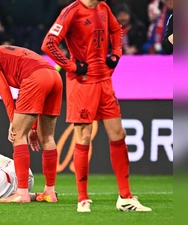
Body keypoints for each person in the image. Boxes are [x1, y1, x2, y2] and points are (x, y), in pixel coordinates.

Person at [41, 0, 152, 212]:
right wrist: (71, 66)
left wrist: (117, 53)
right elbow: (49, 43)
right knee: (83, 136)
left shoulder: (103, 7)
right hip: (82, 84)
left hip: (104, 82)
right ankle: (82, 199)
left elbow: (117, 30)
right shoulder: (71, 11)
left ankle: (125, 197)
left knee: (118, 134)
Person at [0, 43, 62, 203]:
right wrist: (33, 127)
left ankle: (22, 193)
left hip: (35, 78)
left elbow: (3, 88)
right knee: (47, 138)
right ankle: (49, 192)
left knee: (17, 136)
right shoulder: (3, 52)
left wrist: (13, 119)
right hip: (54, 76)